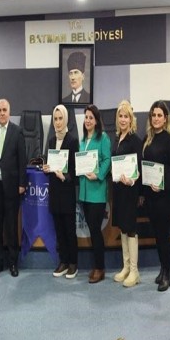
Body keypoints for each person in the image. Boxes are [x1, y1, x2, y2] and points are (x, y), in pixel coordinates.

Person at [141, 101, 170, 292]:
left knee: (164, 234)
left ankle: (167, 273)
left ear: (165, 119)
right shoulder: (147, 139)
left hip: (165, 196)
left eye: (159, 115)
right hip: (150, 195)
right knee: (157, 234)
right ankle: (162, 268)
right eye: (153, 115)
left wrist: (162, 184)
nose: (156, 118)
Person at [0, 99, 27, 277]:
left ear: (9, 112)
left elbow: (22, 160)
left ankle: (13, 263)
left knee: (11, 227)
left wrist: (22, 183)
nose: (2, 113)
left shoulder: (17, 132)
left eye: (5, 110)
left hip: (12, 187)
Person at [43, 105, 79, 279]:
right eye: (55, 119)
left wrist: (65, 176)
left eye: (60, 119)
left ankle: (73, 263)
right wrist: (46, 168)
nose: (58, 122)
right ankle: (63, 261)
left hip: (67, 192)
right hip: (54, 193)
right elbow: (49, 164)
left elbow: (75, 171)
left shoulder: (72, 141)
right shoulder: (51, 141)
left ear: (66, 120)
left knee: (69, 230)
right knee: (59, 230)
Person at [110, 100, 143, 288]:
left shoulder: (135, 140)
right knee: (122, 228)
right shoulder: (117, 138)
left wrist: (131, 180)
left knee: (130, 228)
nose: (123, 120)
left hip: (130, 191)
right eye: (120, 116)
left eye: (126, 116)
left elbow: (139, 169)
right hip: (118, 190)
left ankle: (135, 271)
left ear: (131, 119)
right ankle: (126, 267)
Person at [78, 104, 111, 283]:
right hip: (84, 193)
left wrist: (97, 174)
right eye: (86, 117)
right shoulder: (83, 140)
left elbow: (107, 160)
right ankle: (97, 265)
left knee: (96, 231)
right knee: (92, 230)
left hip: (97, 193)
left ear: (97, 121)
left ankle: (100, 268)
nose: (88, 121)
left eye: (91, 118)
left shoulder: (103, 138)